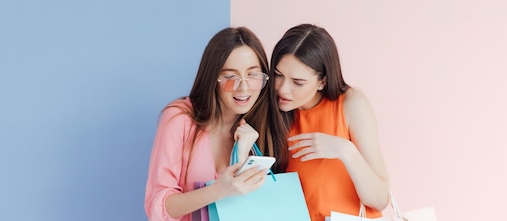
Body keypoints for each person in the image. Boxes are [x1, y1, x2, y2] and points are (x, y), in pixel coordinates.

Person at [144, 27, 288, 221]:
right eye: (230, 77)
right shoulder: (181, 118)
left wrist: (243, 156)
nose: (244, 88)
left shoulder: (260, 129)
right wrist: (217, 191)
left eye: (253, 75)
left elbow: (250, 210)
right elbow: (158, 208)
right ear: (213, 78)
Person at [269, 24, 391, 221]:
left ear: (322, 81)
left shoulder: (351, 104)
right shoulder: (273, 112)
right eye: (278, 75)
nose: (283, 89)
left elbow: (379, 199)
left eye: (298, 82)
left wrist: (346, 151)